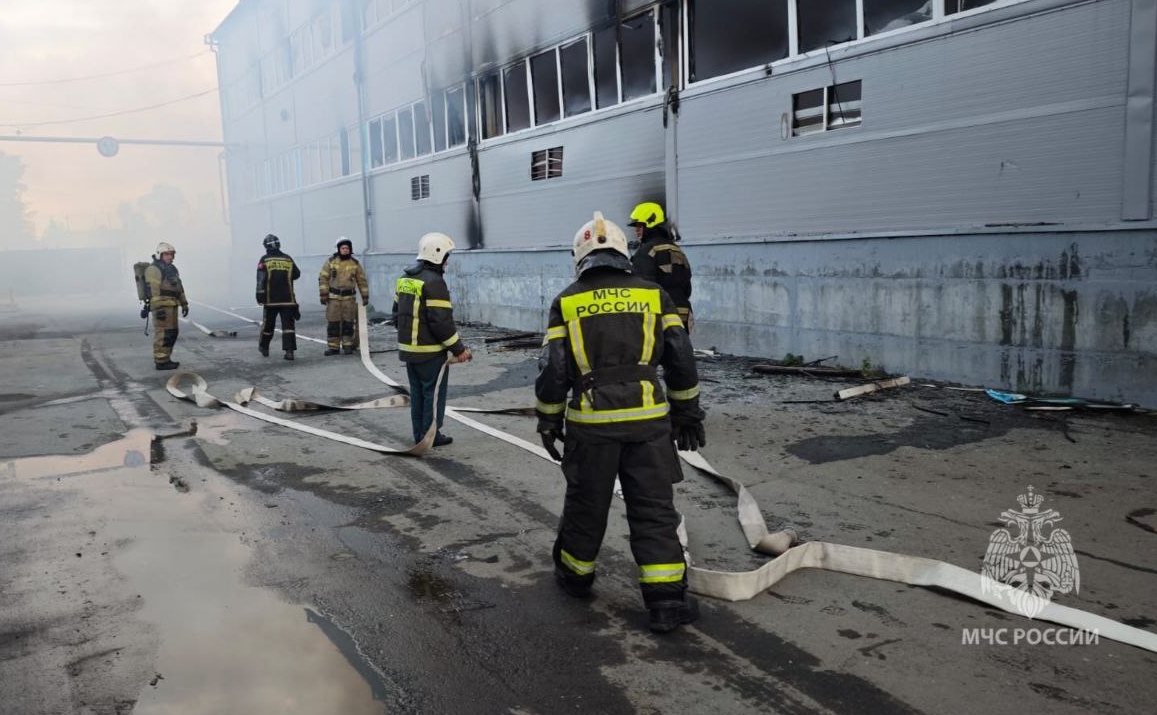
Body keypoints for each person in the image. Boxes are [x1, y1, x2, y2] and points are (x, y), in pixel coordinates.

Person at [536, 211, 706, 634]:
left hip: (592, 426)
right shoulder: (653, 295)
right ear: (621, 252)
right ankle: (666, 600)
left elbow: (553, 369)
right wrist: (687, 412)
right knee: (653, 508)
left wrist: (548, 420)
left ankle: (575, 577)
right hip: (649, 424)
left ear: (580, 257)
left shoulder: (568, 300)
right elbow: (681, 357)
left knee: (586, 505)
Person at [392, 232, 472, 447]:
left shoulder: (405, 279)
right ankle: (430, 436)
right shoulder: (434, 283)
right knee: (432, 395)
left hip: (409, 351)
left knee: (417, 394)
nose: (447, 262)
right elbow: (442, 323)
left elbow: (396, 315)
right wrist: (459, 349)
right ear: (437, 255)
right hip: (430, 353)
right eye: (446, 256)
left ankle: (419, 434)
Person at [627, 202, 694, 332]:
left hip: (661, 316)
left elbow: (643, 290)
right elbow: (688, 289)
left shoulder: (646, 251)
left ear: (650, 223)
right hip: (684, 314)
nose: (636, 230)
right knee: (681, 351)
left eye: (640, 225)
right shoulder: (677, 250)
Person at [318, 237, 369, 355]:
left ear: (350, 249)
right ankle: (333, 347)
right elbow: (323, 278)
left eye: (347, 248)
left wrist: (365, 296)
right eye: (343, 248)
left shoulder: (355, 264)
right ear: (338, 249)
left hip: (349, 299)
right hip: (333, 299)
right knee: (333, 323)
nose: (345, 250)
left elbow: (362, 281)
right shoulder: (331, 262)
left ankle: (347, 345)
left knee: (348, 322)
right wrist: (323, 295)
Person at [144, 241, 189, 371]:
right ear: (160, 255)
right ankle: (160, 361)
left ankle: (166, 358)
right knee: (163, 334)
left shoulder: (172, 269)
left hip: (172, 305)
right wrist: (159, 309)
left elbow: (179, 288)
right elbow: (154, 291)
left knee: (172, 333)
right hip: (162, 307)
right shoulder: (153, 269)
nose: (170, 257)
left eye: (171, 254)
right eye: (167, 254)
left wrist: (184, 303)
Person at [256, 233, 301, 360]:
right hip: (288, 300)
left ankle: (264, 347)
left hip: (271, 301)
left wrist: (259, 297)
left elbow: (260, 280)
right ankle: (289, 352)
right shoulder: (288, 259)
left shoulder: (264, 260)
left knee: (268, 325)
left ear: (266, 246)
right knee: (288, 327)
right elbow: (297, 274)